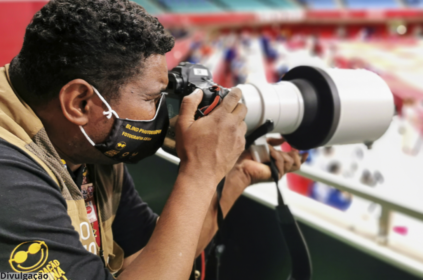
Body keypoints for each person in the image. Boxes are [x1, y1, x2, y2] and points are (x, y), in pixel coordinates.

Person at [0, 0, 307, 279]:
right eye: (152, 98)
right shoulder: (9, 179)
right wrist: (199, 173)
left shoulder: (88, 142)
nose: (162, 112)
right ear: (80, 103)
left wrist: (236, 174)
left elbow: (153, 259)